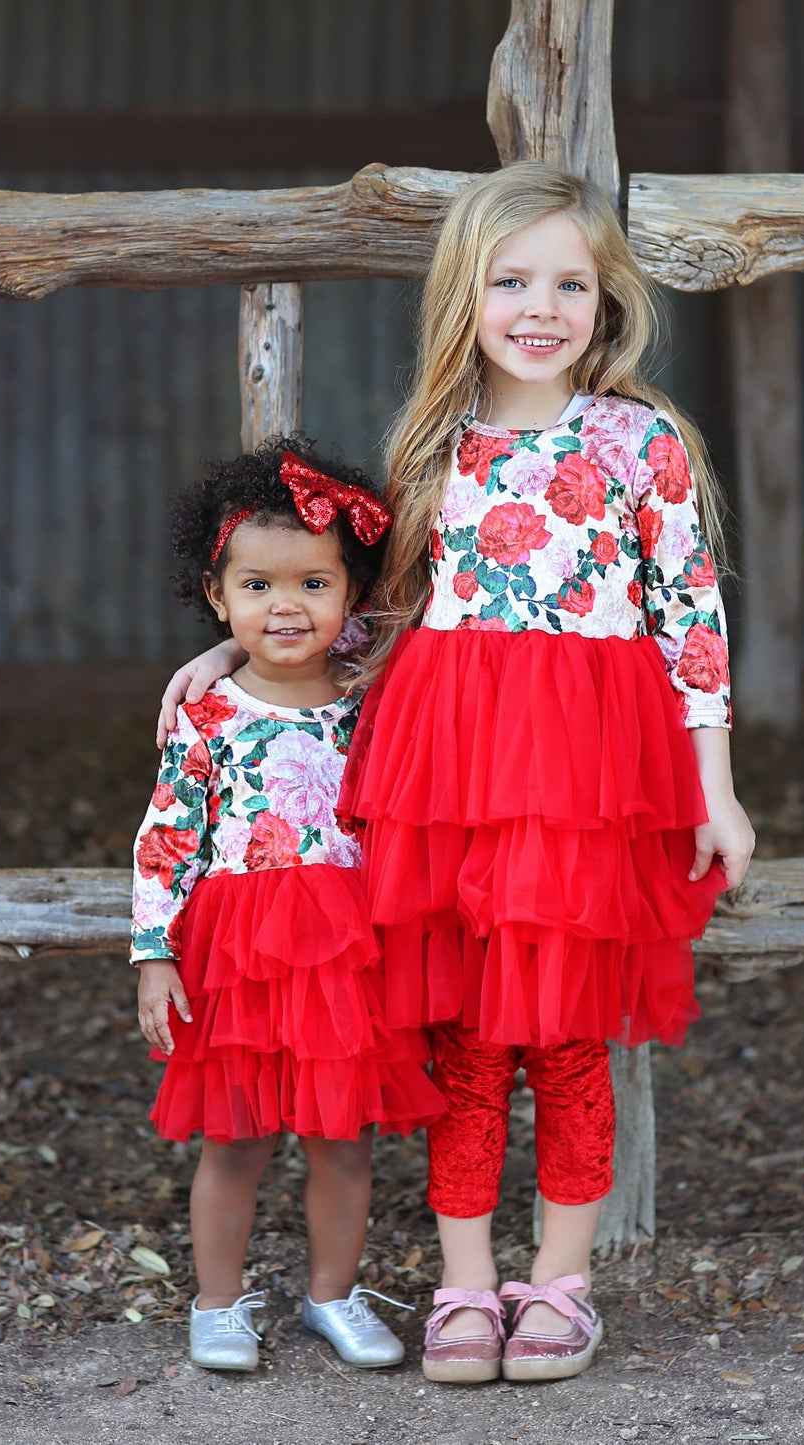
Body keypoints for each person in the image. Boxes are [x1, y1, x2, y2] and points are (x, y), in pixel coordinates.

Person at [156, 163, 756, 1384]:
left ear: (608, 298)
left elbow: (689, 618)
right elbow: (379, 614)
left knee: (570, 1040)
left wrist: (716, 783)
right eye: (511, 279)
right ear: (464, 295)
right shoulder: (432, 445)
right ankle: (465, 1283)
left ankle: (562, 1283)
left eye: (569, 283)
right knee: (466, 1041)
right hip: (455, 781)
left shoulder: (641, 441)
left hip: (591, 777)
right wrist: (234, 639)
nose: (541, 307)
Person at [132, 437, 445, 1373]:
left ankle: (333, 1296)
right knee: (233, 1139)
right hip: (238, 953)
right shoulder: (208, 712)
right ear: (218, 599)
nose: (286, 606)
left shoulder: (371, 699)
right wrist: (154, 952)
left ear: (350, 598)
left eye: (315, 584)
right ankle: (218, 1304)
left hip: (347, 950)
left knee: (343, 1140)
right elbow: (166, 835)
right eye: (259, 587)